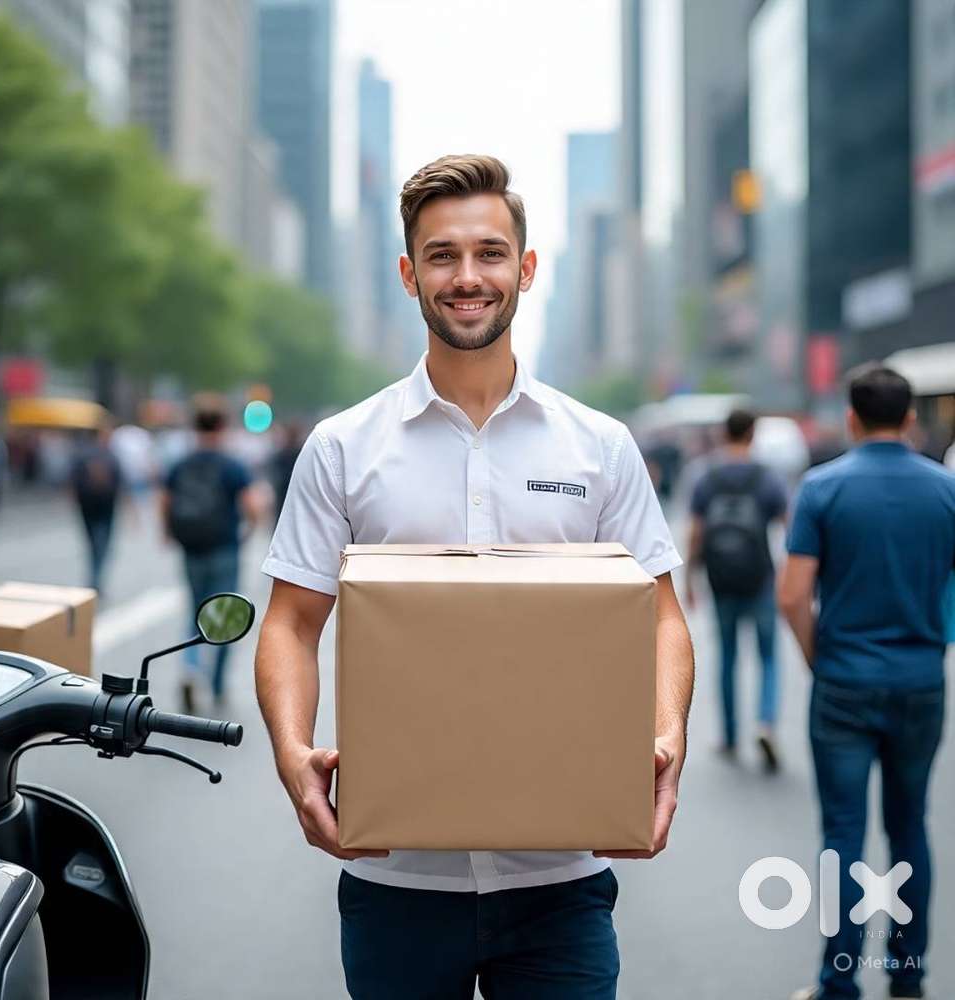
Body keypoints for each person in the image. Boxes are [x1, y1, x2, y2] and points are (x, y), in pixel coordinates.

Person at [255, 154, 695, 998]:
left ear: (526, 270)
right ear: (408, 272)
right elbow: (291, 622)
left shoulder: (598, 446)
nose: (468, 277)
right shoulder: (345, 447)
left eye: (491, 253)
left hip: (560, 883)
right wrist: (291, 751)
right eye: (442, 255)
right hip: (395, 884)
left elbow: (663, 617)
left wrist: (667, 734)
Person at [779, 365, 955, 1000]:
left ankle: (839, 982)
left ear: (850, 419)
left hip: (845, 681)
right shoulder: (946, 491)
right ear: (910, 420)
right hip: (919, 681)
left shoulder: (822, 489)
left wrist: (817, 657)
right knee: (910, 827)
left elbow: (794, 594)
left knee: (843, 834)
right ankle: (909, 978)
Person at [686, 408, 788, 769]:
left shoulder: (706, 476)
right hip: (760, 577)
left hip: (721, 578)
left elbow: (696, 532)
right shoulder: (767, 477)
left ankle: (729, 735)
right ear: (753, 434)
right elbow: (789, 527)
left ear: (722, 434)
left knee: (727, 656)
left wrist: (689, 581)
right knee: (769, 657)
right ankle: (765, 723)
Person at [161, 396, 263, 712]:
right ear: (222, 427)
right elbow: (252, 507)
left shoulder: (181, 464)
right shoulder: (232, 466)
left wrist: (169, 533)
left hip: (192, 547)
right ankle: (217, 684)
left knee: (195, 612)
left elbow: (164, 502)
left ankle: (191, 669)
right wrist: (245, 533)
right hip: (224, 547)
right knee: (226, 614)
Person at [69, 421, 122, 593]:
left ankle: (94, 578)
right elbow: (121, 483)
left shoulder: (82, 454)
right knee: (102, 545)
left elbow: (72, 480)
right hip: (104, 506)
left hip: (88, 505)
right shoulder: (111, 456)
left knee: (94, 544)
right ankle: (95, 579)